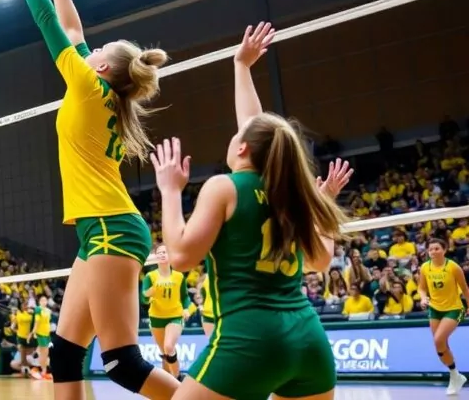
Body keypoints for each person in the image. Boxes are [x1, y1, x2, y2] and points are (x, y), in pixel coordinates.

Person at [0, 0, 180, 400]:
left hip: (109, 227)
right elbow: (73, 27)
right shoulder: (102, 94)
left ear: (99, 67)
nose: (89, 47)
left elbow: (50, 24)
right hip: (98, 228)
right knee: (65, 354)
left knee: (121, 362)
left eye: (96, 49)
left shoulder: (85, 85)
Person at [150, 22, 354, 400]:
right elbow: (321, 261)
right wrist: (240, 67)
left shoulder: (223, 187)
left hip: (248, 339)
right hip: (308, 341)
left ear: (242, 149)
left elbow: (179, 256)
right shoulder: (291, 193)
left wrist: (170, 190)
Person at [419, 237, 469, 394]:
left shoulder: (453, 267)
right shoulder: (425, 267)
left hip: (454, 308)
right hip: (434, 309)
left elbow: (465, 289)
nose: (433, 252)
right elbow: (421, 288)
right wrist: (423, 297)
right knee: (440, 345)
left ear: (444, 250)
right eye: (430, 249)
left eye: (436, 248)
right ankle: (455, 375)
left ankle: (455, 376)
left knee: (439, 339)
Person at [142, 245, 190, 379]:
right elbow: (144, 299)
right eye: (160, 252)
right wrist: (148, 294)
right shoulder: (150, 277)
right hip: (156, 317)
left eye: (165, 252)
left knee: (169, 347)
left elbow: (185, 297)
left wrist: (186, 309)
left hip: (174, 316)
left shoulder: (179, 276)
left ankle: (177, 377)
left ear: (170, 256)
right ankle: (170, 382)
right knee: (164, 353)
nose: (163, 254)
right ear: (156, 257)